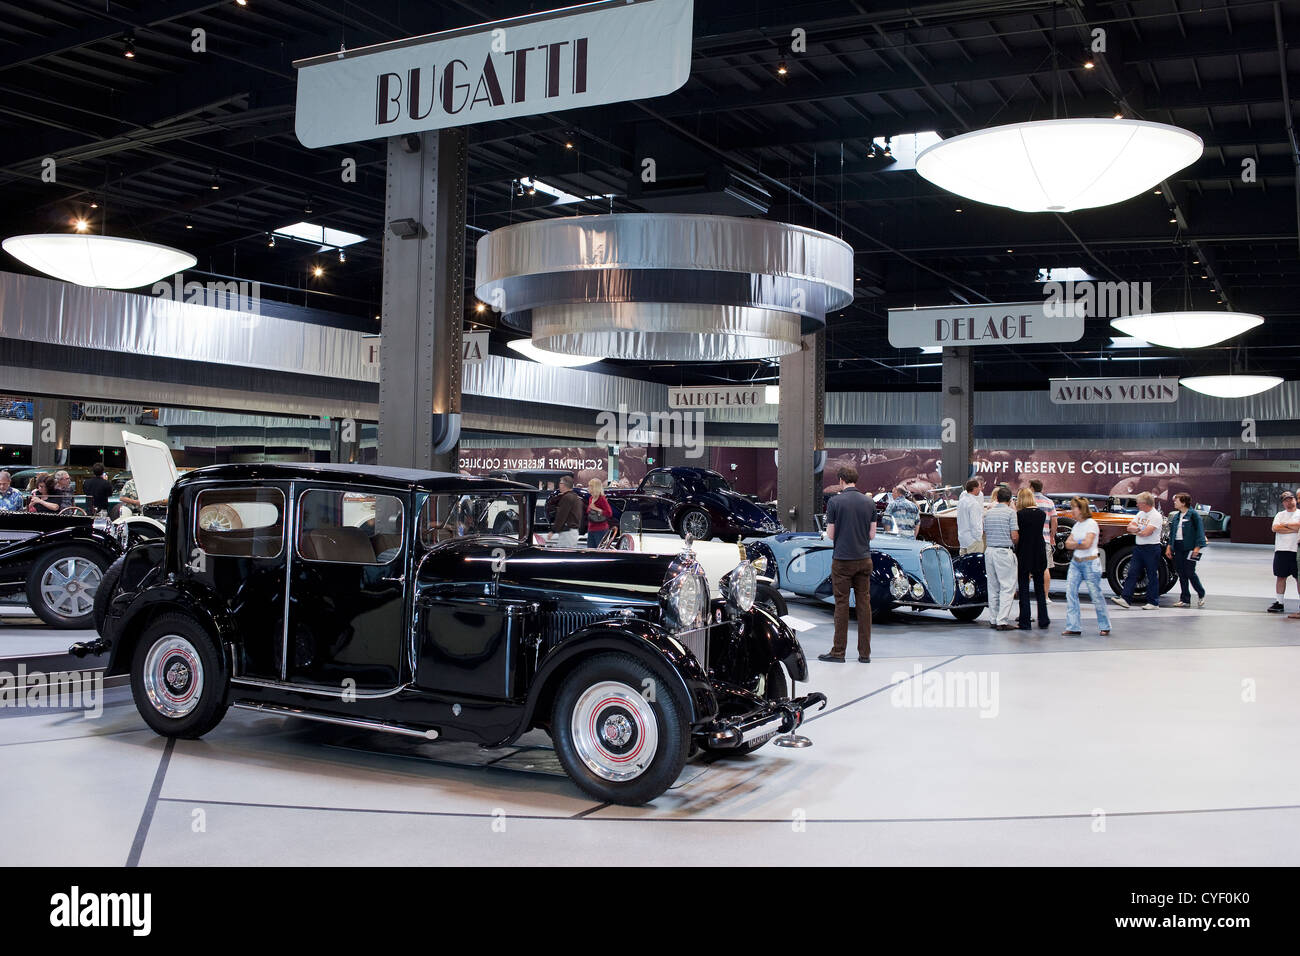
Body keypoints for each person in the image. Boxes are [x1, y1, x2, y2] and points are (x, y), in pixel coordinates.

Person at [819, 465, 876, 664]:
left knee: (841, 605)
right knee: (864, 605)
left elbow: (831, 535)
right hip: (864, 560)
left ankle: (838, 652)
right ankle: (864, 654)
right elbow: (872, 535)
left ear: (842, 480)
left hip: (842, 561)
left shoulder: (835, 502)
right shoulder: (869, 502)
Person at [1063, 497, 1112, 637]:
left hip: (1090, 563)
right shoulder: (1077, 525)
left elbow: (1087, 544)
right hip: (1076, 562)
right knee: (1070, 593)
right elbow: (1068, 543)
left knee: (1095, 595)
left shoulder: (1091, 524)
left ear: (1081, 509)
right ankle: (1073, 626)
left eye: (1074, 508)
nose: (1072, 511)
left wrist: (1075, 543)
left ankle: (1105, 625)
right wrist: (1079, 542)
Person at [1112, 491, 1163, 610]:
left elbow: (1146, 533)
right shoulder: (1141, 513)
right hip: (1139, 547)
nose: (1137, 505)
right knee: (1132, 573)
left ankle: (1153, 602)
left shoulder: (1155, 516)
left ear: (1146, 503)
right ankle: (1125, 599)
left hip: (1151, 548)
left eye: (1139, 503)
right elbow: (1129, 527)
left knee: (1151, 575)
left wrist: (1137, 529)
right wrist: (1139, 529)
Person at [982, 485, 1018, 630]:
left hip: (989, 551)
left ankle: (993, 619)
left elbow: (984, 532)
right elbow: (1014, 536)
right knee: (1007, 587)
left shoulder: (988, 513)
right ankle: (1002, 621)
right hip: (1003, 551)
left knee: (993, 587)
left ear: (997, 498)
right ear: (1009, 500)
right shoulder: (1011, 513)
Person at [1015, 488, 1049, 629]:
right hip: (1039, 551)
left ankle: (1025, 621)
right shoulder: (1041, 514)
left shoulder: (1019, 515)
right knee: (1039, 588)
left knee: (1023, 587)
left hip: (1024, 551)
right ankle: (1043, 619)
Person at [1166, 492, 1206, 608]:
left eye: (1176, 500)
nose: (1174, 502)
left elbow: (1200, 532)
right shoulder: (1176, 516)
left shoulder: (1194, 515)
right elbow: (1172, 533)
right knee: (1181, 573)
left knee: (1190, 572)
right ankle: (1185, 599)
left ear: (1183, 503)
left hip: (1190, 548)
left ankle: (1201, 593)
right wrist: (1169, 546)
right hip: (1178, 547)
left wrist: (1197, 548)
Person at [1268, 491, 1300, 613]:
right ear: (1283, 503)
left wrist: (1285, 525)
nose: (1289, 502)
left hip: (1295, 550)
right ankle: (1279, 602)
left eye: (1291, 499)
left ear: (1295, 500)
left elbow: (1299, 526)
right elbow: (1275, 528)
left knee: (1298, 578)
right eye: (1286, 500)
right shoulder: (1280, 514)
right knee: (1280, 576)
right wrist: (1293, 529)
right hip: (1281, 550)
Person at [1028, 479, 1057, 602]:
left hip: (1029, 540)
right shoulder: (1049, 502)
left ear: (1032, 488)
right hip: (1044, 539)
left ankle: (1025, 595)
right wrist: (1052, 536)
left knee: (1028, 568)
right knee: (1045, 568)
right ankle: (1045, 597)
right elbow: (1054, 521)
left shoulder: (1028, 501)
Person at [546, 475, 582, 548]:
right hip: (573, 531)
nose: (559, 485)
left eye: (560, 483)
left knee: (564, 554)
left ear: (564, 485)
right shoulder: (576, 497)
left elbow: (561, 516)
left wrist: (553, 530)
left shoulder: (567, 498)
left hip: (567, 532)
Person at [957, 477, 985, 554]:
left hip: (963, 540)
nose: (980, 489)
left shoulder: (961, 501)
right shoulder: (974, 504)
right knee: (975, 565)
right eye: (979, 487)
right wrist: (978, 538)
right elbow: (975, 524)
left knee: (965, 564)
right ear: (975, 488)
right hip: (973, 541)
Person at [585, 478, 613, 548]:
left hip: (601, 529)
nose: (588, 488)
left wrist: (596, 509)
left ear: (594, 487)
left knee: (600, 550)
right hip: (591, 528)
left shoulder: (601, 499)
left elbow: (609, 513)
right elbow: (589, 511)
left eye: (590, 486)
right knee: (590, 550)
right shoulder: (591, 498)